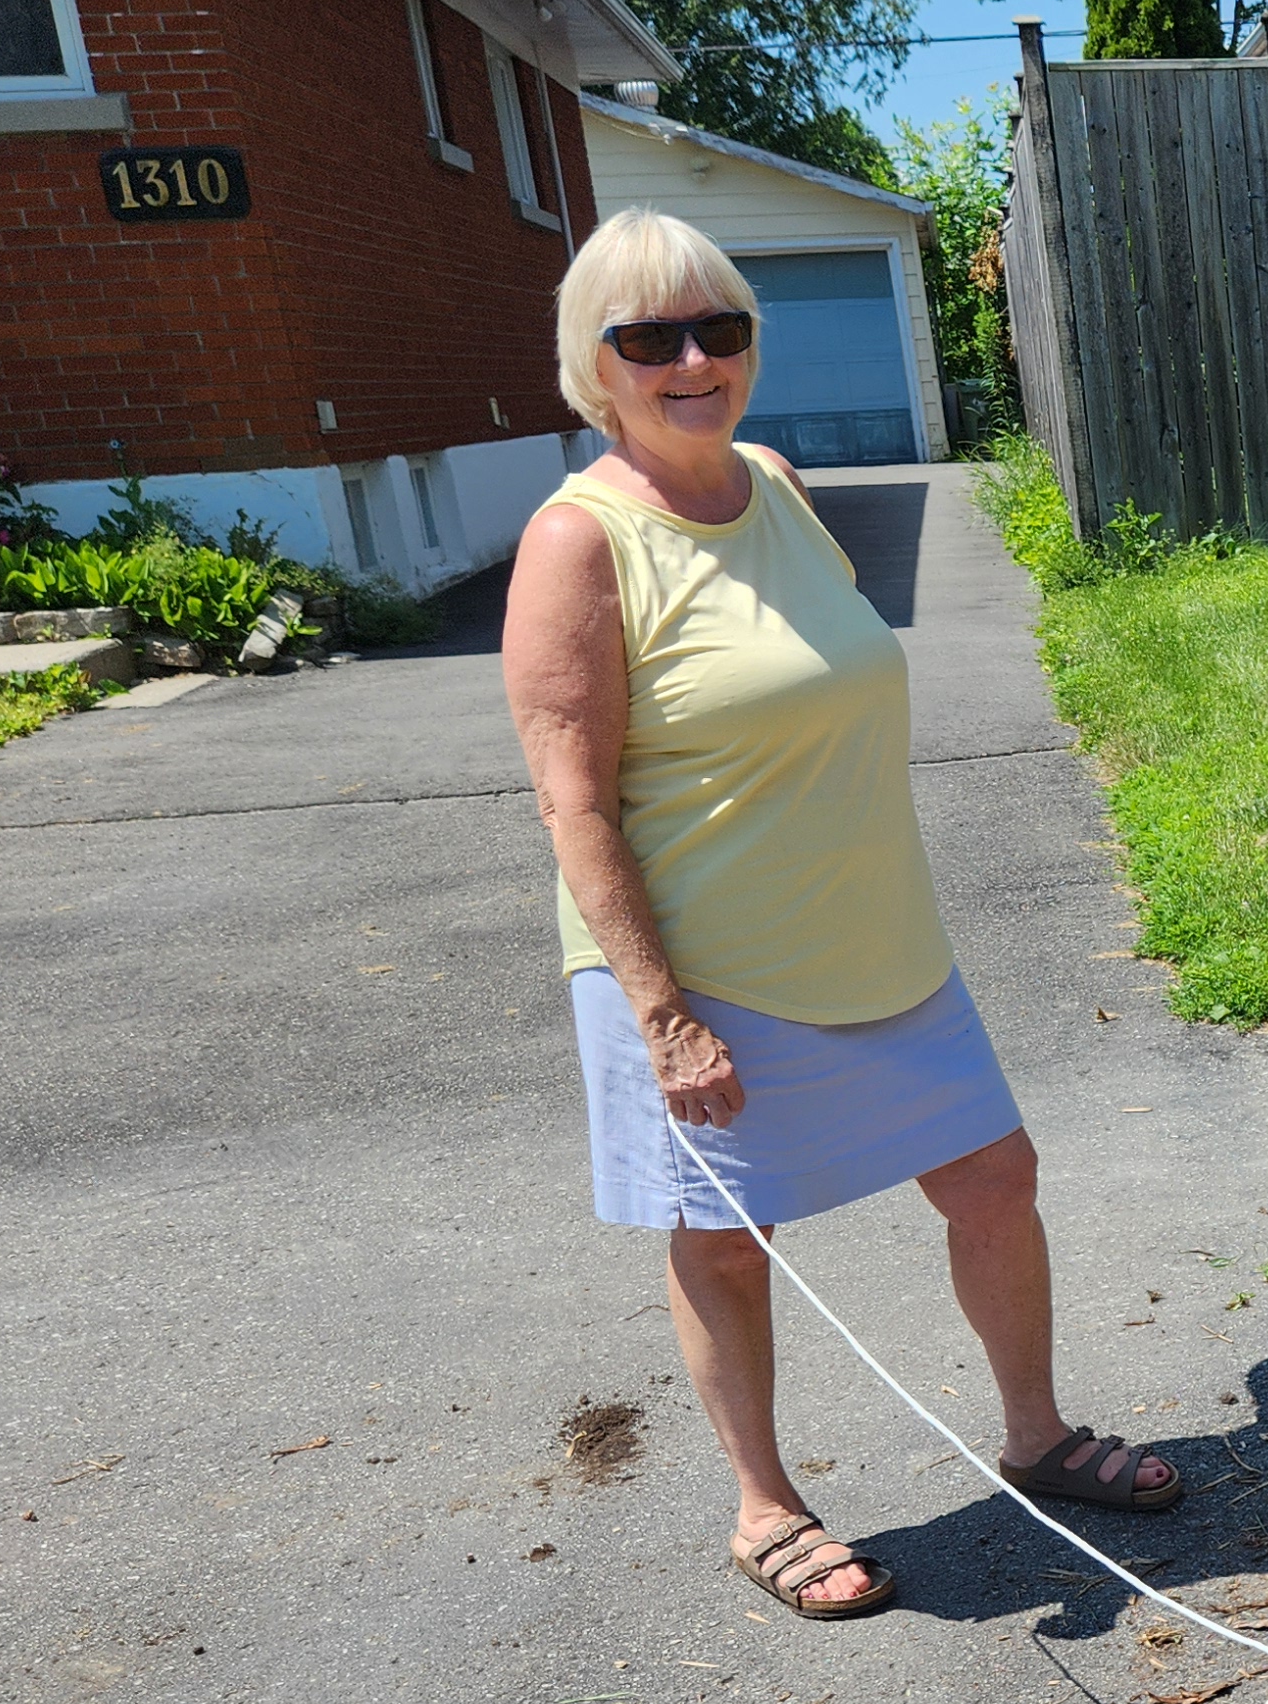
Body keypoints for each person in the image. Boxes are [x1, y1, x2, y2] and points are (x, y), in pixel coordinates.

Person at [502, 207, 1173, 1623]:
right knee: (727, 1237)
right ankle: (763, 1504)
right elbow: (574, 806)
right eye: (650, 338)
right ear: (595, 367)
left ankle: (1035, 1435)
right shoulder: (578, 544)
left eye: (720, 328)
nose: (693, 359)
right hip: (696, 962)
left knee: (993, 1177)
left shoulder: (777, 484)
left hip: (870, 928)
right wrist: (662, 1013)